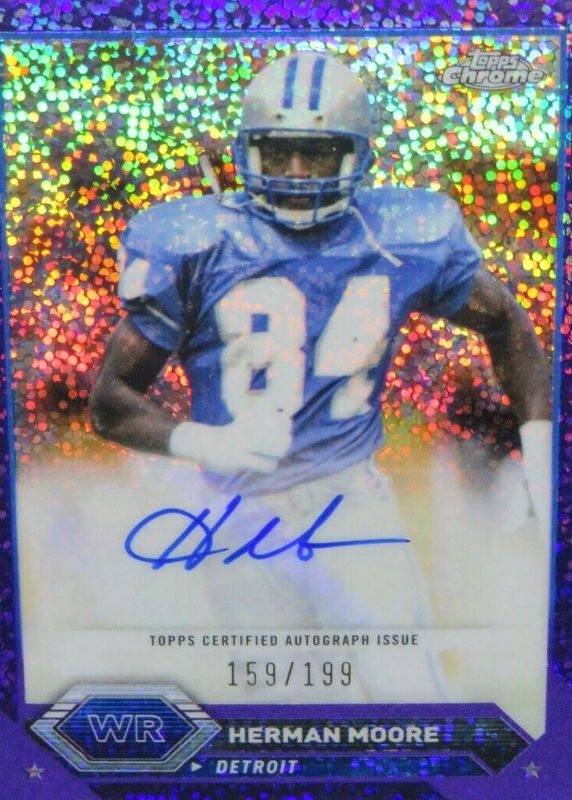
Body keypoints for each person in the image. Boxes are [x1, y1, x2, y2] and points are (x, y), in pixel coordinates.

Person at [89, 51, 552, 700]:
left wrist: (541, 451)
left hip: (350, 498)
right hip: (237, 512)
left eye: (318, 152)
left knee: (407, 698)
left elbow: (506, 322)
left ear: (357, 156)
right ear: (247, 152)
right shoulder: (196, 243)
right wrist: (205, 441)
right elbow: (109, 401)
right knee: (282, 712)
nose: (297, 173)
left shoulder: (400, 234)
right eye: (279, 153)